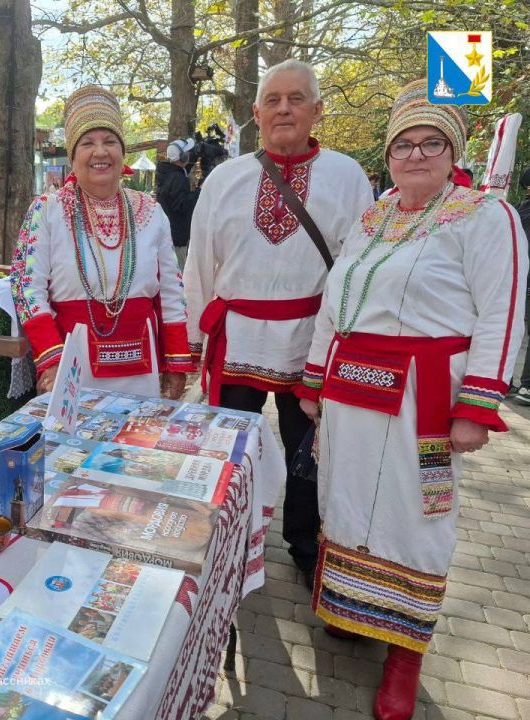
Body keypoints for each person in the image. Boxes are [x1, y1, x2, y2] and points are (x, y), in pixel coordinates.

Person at [297, 80, 527, 720]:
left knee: (417, 516)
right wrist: (314, 381)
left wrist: (477, 405)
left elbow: (502, 314)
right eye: (404, 144)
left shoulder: (486, 216)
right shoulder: (373, 216)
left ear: (452, 151)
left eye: (431, 143)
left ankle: (406, 652)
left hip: (424, 396)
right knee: (341, 499)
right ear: (389, 155)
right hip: (351, 387)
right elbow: (333, 302)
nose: (416, 154)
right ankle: (352, 606)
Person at [183, 59, 374, 587]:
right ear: (256, 113)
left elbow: (358, 265)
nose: (284, 108)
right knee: (228, 449)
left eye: (296, 99)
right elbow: (199, 261)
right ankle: (227, 535)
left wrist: (347, 344)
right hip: (237, 335)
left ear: (317, 110)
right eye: (273, 100)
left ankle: (305, 545)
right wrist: (194, 341)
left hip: (310, 342)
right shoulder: (225, 178)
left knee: (306, 451)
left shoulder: (347, 176)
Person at [10, 85, 196, 400]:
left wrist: (176, 362)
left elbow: (172, 292)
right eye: (87, 143)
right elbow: (26, 288)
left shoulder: (151, 211)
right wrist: (52, 359)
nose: (100, 152)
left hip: (142, 364)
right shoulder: (47, 210)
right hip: (72, 363)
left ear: (123, 153)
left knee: (138, 442)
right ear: (72, 155)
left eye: (110, 141)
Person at [156, 139, 201, 269]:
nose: (190, 155)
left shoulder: (166, 173)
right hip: (177, 237)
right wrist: (199, 192)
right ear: (182, 156)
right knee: (180, 273)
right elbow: (182, 206)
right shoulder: (178, 179)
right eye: (187, 152)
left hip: (169, 233)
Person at [511, 167, 530, 405]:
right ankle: (527, 385)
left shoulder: (517, 211)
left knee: (517, 328)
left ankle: (508, 383)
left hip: (517, 279)